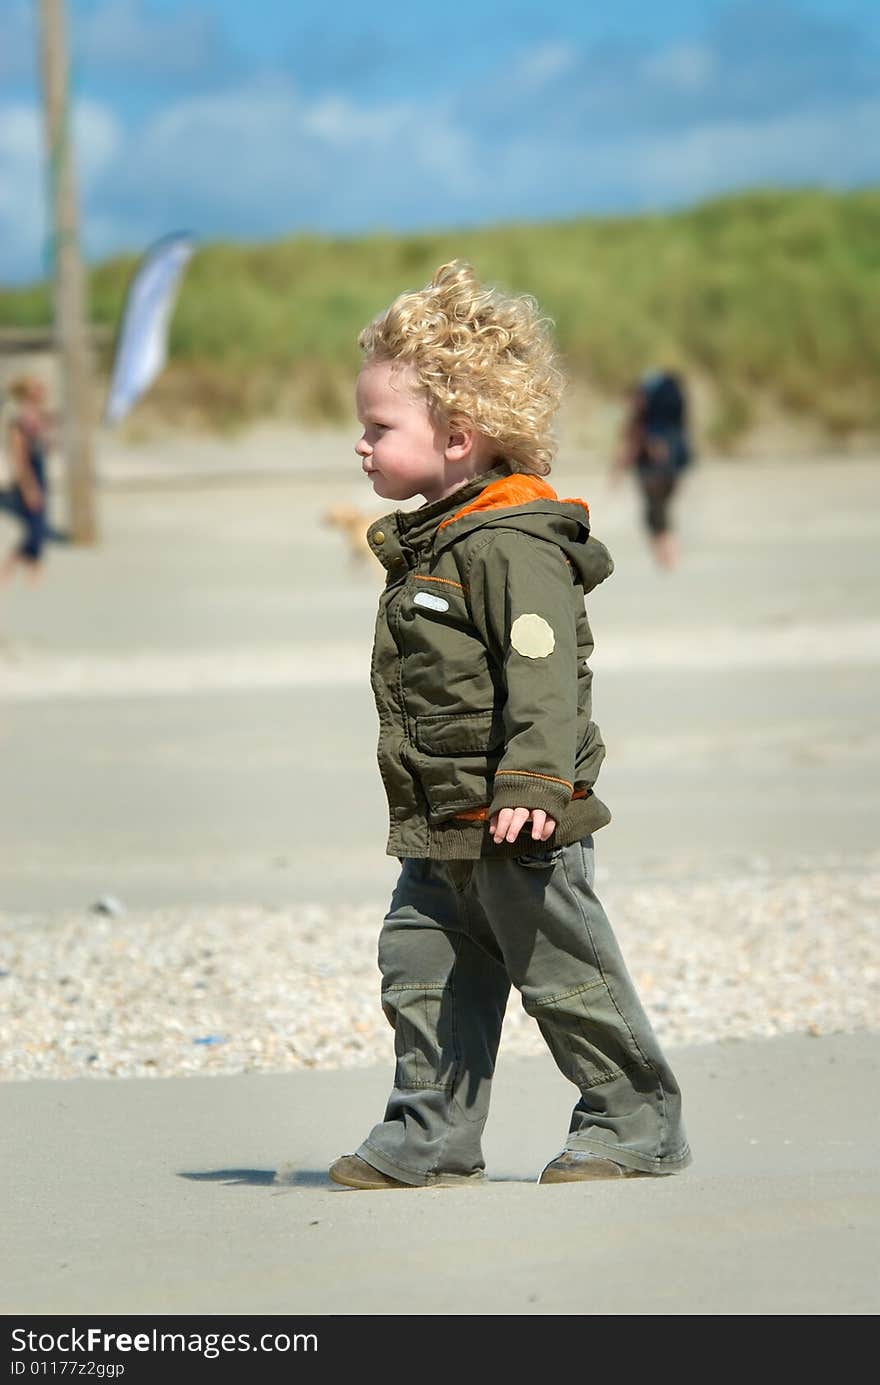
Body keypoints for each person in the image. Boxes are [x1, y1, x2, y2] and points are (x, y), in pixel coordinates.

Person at [328, 261, 692, 1189]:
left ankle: (634, 1116)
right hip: (442, 816)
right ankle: (432, 1132)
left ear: (458, 436)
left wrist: (534, 783)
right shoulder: (437, 537)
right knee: (422, 967)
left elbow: (543, 679)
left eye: (378, 428)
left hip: (520, 818)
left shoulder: (511, 543)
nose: (360, 446)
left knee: (564, 975)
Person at [613, 370, 693, 570]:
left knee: (655, 516)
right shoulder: (668, 422)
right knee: (660, 514)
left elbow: (631, 447)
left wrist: (617, 472)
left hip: (654, 474)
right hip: (670, 472)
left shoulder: (643, 423)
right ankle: (668, 558)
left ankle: (667, 559)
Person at [1, 375, 53, 588]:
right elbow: (19, 458)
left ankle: (35, 572)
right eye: (35, 389)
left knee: (39, 523)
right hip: (28, 475)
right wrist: (29, 487)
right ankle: (8, 569)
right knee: (34, 527)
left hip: (39, 472)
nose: (40, 393)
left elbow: (46, 447)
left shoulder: (38, 417)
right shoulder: (19, 421)